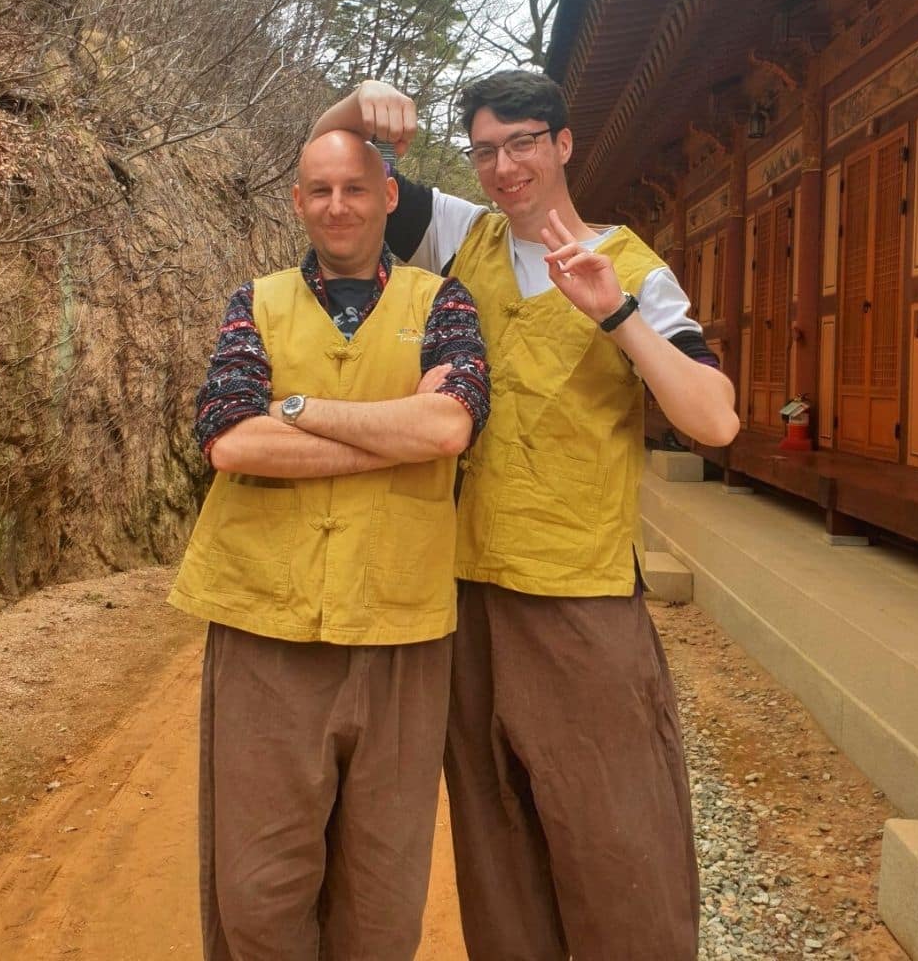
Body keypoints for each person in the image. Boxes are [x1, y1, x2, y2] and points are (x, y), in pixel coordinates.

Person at [311, 72, 740, 960]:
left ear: (564, 144)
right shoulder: (464, 235)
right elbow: (332, 167)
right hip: (464, 593)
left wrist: (614, 313)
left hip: (578, 594)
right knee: (493, 828)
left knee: (619, 833)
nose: (504, 167)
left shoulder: (634, 268)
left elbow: (716, 420)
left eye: (524, 143)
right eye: (485, 150)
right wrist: (358, 106)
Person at [168, 129, 489, 961]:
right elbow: (232, 440)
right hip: (263, 619)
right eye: (320, 190)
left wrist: (300, 410)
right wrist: (395, 431)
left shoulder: (443, 302)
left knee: (383, 886)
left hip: (399, 622)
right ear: (299, 202)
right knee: (259, 881)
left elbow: (452, 422)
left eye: (355, 187)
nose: (337, 205)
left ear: (389, 196)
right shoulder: (257, 302)